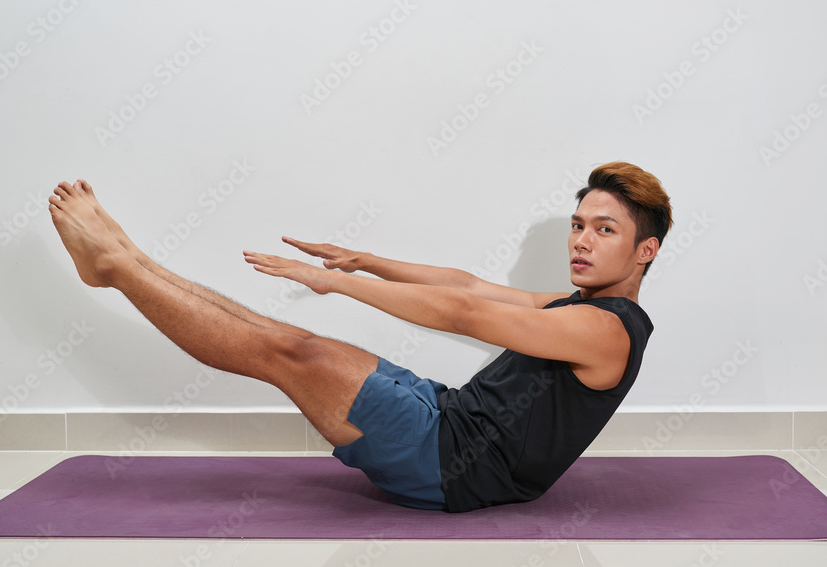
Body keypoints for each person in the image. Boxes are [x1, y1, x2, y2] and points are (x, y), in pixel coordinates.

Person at [47, 161, 671, 513]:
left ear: (645, 250)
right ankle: (129, 260)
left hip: (454, 466)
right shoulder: (581, 306)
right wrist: (364, 260)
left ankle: (119, 268)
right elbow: (470, 286)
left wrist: (338, 287)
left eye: (604, 230)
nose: (581, 240)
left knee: (288, 353)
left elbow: (462, 315)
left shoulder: (606, 331)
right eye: (578, 224)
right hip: (446, 413)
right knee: (281, 336)